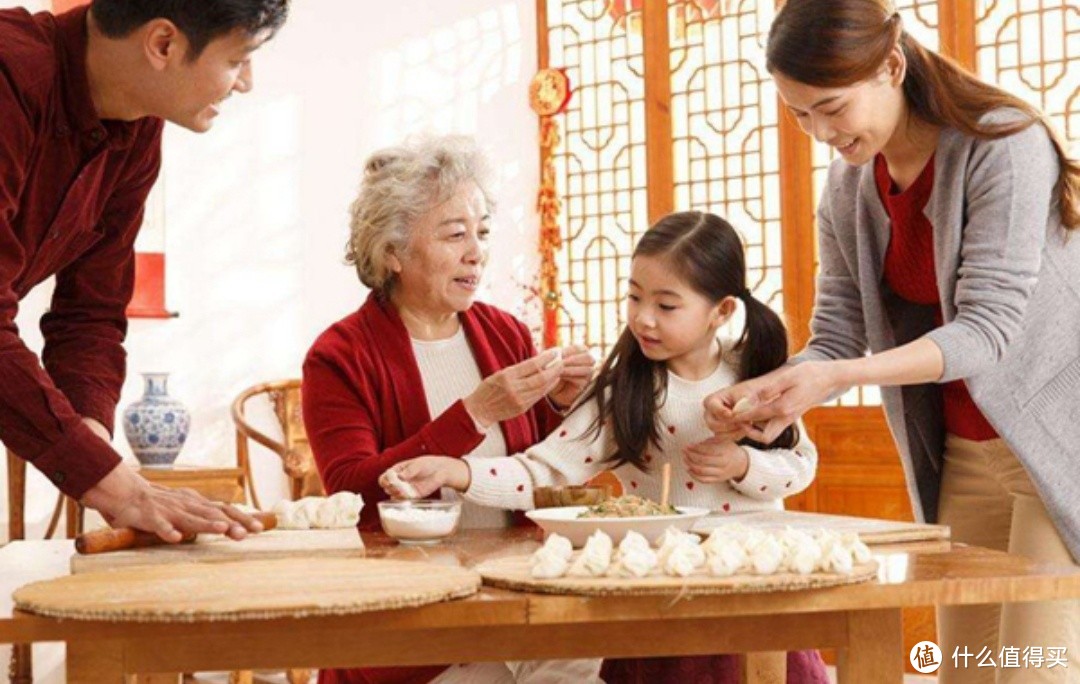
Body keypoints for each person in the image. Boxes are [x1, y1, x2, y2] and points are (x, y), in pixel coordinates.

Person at [703, 1, 1080, 682]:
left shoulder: (1004, 145)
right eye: (799, 114)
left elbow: (988, 330)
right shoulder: (850, 187)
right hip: (964, 454)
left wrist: (840, 376)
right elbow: (837, 334)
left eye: (831, 107)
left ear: (893, 66)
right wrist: (782, 390)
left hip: (1057, 444)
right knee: (966, 670)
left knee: (1035, 669)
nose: (819, 132)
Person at [382, 211, 829, 684]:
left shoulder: (760, 375)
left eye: (667, 305)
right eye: (634, 297)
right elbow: (544, 472)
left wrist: (744, 463)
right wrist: (456, 471)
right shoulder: (625, 393)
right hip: (664, 605)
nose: (642, 317)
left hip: (764, 589)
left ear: (721, 312)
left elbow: (801, 466)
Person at [301, 134, 599, 684]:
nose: (476, 252)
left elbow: (537, 469)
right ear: (391, 252)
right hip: (410, 617)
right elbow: (349, 489)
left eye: (482, 233)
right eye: (455, 234)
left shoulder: (504, 332)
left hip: (517, 597)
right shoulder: (339, 354)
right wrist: (476, 413)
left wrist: (559, 406)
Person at [0, 0, 289, 542]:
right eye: (238, 60)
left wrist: (88, 431)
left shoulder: (136, 132)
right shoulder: (9, 76)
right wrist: (113, 485)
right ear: (162, 44)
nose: (247, 83)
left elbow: (90, 313)